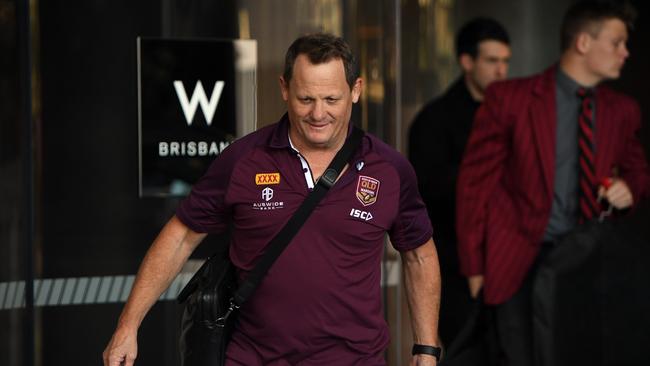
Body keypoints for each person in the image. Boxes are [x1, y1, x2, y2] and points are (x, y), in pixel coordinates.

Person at [103, 33, 442, 366]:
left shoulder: (389, 169)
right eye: (305, 99)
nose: (318, 114)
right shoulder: (244, 159)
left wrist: (426, 349)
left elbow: (419, 256)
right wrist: (128, 326)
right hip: (253, 357)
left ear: (356, 91)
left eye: (331, 100)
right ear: (284, 89)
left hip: (355, 359)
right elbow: (179, 237)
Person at [456, 1, 650, 365]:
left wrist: (630, 188)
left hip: (589, 263)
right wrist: (475, 269)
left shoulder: (623, 110)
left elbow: (638, 172)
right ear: (583, 43)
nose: (626, 53)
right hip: (519, 263)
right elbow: (473, 187)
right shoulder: (510, 99)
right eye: (616, 42)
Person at [408, 17, 510, 346]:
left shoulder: (514, 115)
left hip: (509, 257)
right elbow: (426, 191)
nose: (501, 71)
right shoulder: (434, 120)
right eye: (492, 61)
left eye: (506, 62)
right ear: (467, 62)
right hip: (454, 264)